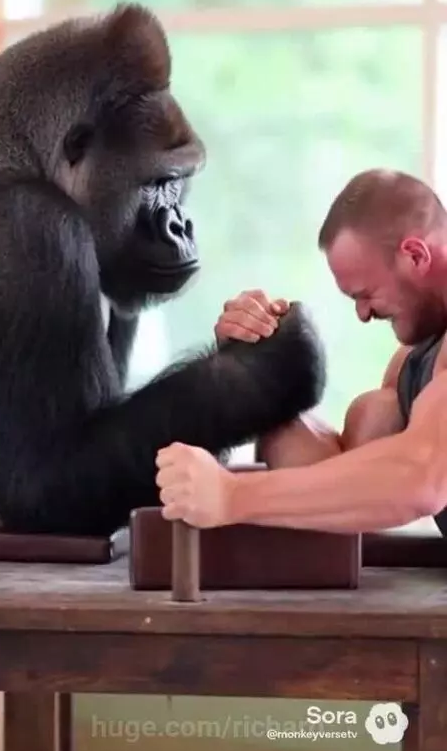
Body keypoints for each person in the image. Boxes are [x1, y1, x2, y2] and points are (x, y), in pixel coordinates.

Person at [155, 168, 447, 535]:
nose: (363, 314)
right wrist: (249, 361)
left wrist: (231, 496)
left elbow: (420, 478)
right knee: (375, 413)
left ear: (416, 256)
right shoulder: (413, 360)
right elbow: (344, 486)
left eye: (365, 294)